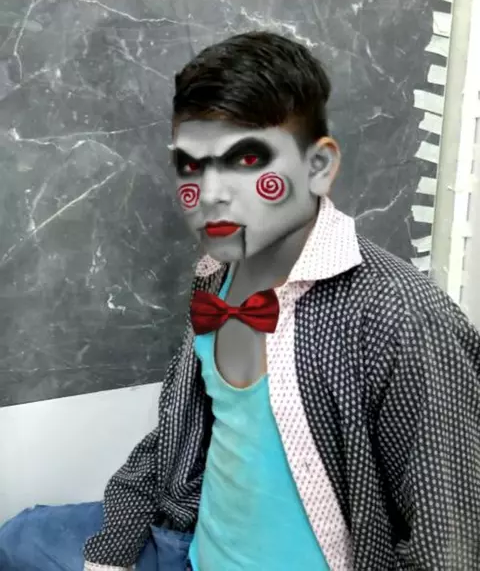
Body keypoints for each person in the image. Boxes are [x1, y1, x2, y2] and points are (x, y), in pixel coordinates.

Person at [0, 31, 479, 571]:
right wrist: (112, 552)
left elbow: (450, 547)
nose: (209, 194)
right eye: (191, 165)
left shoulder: (403, 318)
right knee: (19, 538)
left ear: (318, 167)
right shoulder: (215, 275)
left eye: (247, 159)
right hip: (193, 545)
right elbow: (176, 434)